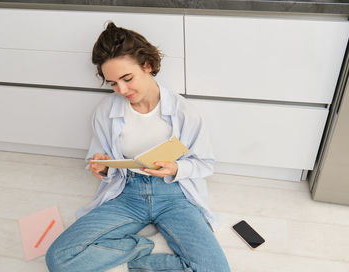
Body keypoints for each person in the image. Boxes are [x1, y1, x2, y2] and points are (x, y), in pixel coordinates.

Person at [45, 22, 230, 272]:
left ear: (148, 66)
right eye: (112, 83)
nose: (121, 90)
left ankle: (143, 264)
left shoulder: (185, 112)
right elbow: (99, 159)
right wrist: (101, 167)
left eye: (127, 78)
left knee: (215, 269)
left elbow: (205, 163)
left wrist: (175, 168)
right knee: (59, 259)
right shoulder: (105, 111)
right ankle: (138, 247)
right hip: (127, 193)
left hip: (174, 195)